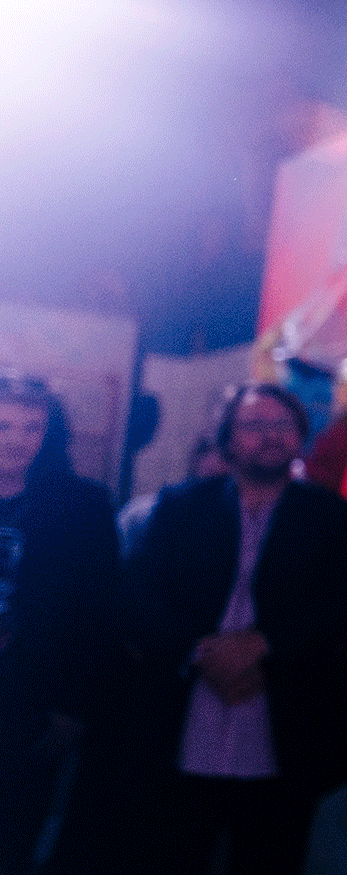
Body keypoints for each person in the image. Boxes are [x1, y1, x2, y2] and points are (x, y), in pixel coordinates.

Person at [123, 383, 347, 875]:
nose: (271, 436)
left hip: (285, 720)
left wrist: (264, 645)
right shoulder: (182, 507)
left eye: (283, 425)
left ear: (300, 436)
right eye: (254, 425)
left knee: (271, 860)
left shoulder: (332, 517)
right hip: (182, 714)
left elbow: (345, 602)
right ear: (227, 438)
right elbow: (140, 593)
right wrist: (200, 651)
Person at [0, 372, 121, 874]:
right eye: (4, 426)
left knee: (14, 837)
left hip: (31, 698)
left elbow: (99, 616)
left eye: (31, 427)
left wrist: (72, 707)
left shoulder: (82, 505)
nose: (16, 440)